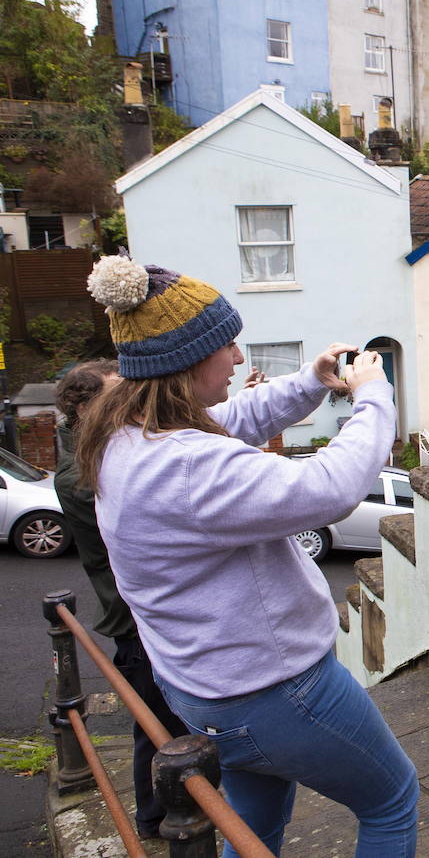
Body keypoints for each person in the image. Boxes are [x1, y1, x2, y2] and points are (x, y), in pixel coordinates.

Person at [77, 257, 418, 857]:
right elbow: (331, 489)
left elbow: (232, 420)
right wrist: (373, 397)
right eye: (226, 345)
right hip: (277, 694)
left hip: (202, 690)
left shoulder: (124, 435)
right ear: (183, 361)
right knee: (392, 801)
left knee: (253, 825)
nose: (238, 358)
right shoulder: (187, 465)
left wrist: (311, 380)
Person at [55, 359, 190, 840]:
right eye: (117, 393)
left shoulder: (102, 450)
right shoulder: (82, 469)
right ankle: (156, 819)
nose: (129, 401)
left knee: (170, 722)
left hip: (138, 613)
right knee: (155, 727)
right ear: (88, 405)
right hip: (135, 621)